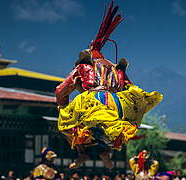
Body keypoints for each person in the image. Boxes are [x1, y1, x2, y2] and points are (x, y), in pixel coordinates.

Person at [55, 0, 163, 170]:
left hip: (94, 98)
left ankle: (81, 152)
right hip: (117, 102)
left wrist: (62, 107)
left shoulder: (84, 66)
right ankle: (106, 151)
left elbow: (61, 90)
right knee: (114, 124)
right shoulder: (115, 68)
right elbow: (130, 87)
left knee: (67, 122)